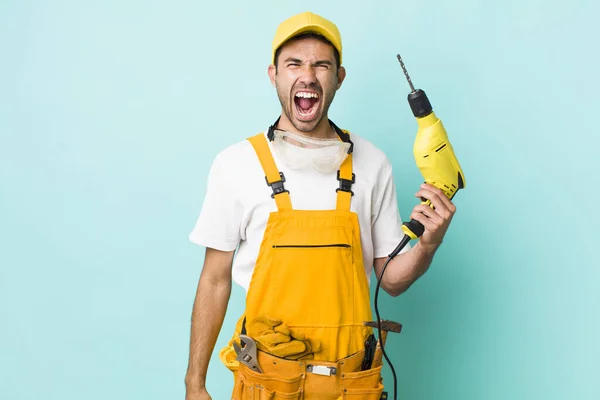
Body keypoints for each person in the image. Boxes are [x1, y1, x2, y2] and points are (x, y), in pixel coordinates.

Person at [184, 11, 457, 400]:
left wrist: (428, 245)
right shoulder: (236, 164)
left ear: (338, 78)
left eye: (321, 65)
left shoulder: (372, 162)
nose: (307, 75)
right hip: (268, 382)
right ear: (273, 74)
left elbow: (391, 280)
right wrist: (194, 384)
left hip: (351, 384)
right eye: (293, 63)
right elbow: (214, 280)